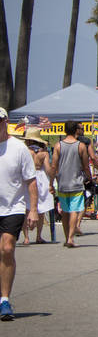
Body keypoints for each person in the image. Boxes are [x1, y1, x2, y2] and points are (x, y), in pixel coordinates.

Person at [0, 108, 39, 320]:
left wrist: (33, 210)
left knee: (7, 248)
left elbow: (31, 180)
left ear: (5, 121)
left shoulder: (18, 148)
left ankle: (5, 299)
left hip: (12, 207)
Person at [51, 120, 92, 248]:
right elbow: (86, 166)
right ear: (76, 130)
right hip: (77, 183)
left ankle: (66, 236)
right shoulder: (81, 146)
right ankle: (70, 238)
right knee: (74, 210)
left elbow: (54, 166)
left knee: (65, 211)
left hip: (62, 182)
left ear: (64, 130)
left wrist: (51, 183)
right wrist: (90, 178)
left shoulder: (58, 145)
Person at [22, 128, 53, 245]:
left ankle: (26, 237)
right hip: (40, 177)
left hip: (28, 177)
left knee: (27, 208)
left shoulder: (25, 151)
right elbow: (48, 169)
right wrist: (52, 180)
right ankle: (38, 236)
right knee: (41, 209)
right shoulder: (43, 153)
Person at [72, 122, 98, 236]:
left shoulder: (65, 142)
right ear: (77, 129)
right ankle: (77, 224)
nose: (83, 130)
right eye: (82, 128)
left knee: (71, 200)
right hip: (83, 174)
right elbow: (93, 157)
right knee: (85, 199)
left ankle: (72, 225)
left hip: (69, 174)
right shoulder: (86, 141)